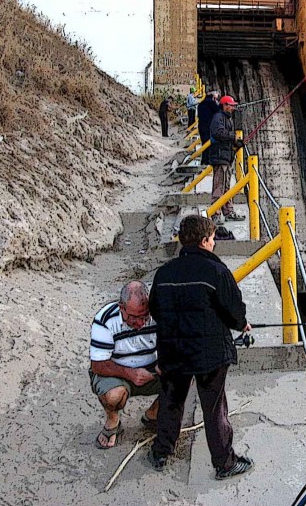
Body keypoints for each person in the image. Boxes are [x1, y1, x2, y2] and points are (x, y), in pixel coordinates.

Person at [147, 215, 254, 479]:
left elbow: (156, 310)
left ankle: (161, 452)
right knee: (214, 407)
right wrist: (243, 325)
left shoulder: (164, 273)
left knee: (172, 401)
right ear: (205, 241)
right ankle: (224, 464)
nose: (214, 244)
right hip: (210, 354)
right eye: (213, 239)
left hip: (173, 351)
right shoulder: (217, 272)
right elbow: (234, 311)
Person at [89, 280, 160, 449]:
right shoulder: (105, 319)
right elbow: (98, 365)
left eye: (145, 316)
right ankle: (113, 420)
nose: (140, 323)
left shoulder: (159, 313)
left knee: (183, 376)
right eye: (134, 317)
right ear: (121, 308)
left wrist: (165, 364)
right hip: (117, 373)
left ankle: (153, 414)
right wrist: (130, 374)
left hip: (152, 369)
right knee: (113, 396)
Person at [209, 95, 245, 223]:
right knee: (219, 186)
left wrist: (237, 143)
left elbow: (226, 137)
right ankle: (215, 214)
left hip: (226, 157)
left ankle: (228, 212)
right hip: (220, 157)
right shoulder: (218, 118)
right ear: (224, 105)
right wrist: (233, 137)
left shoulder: (226, 119)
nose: (233, 107)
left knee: (226, 187)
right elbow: (218, 133)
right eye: (231, 105)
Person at [197, 90, 220, 166]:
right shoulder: (212, 104)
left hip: (201, 126)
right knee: (210, 144)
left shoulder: (201, 104)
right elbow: (218, 111)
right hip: (209, 126)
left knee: (204, 143)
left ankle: (204, 160)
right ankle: (208, 161)